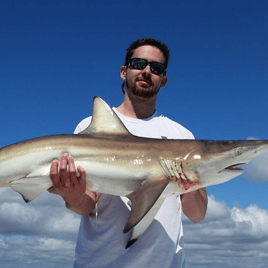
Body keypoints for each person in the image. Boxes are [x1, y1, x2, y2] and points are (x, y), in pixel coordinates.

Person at [48, 38, 208, 268]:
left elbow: (197, 214)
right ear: (124, 71)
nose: (146, 71)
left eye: (156, 68)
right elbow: (86, 205)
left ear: (164, 80)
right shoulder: (89, 128)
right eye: (139, 63)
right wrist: (71, 197)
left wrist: (188, 185)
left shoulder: (181, 136)